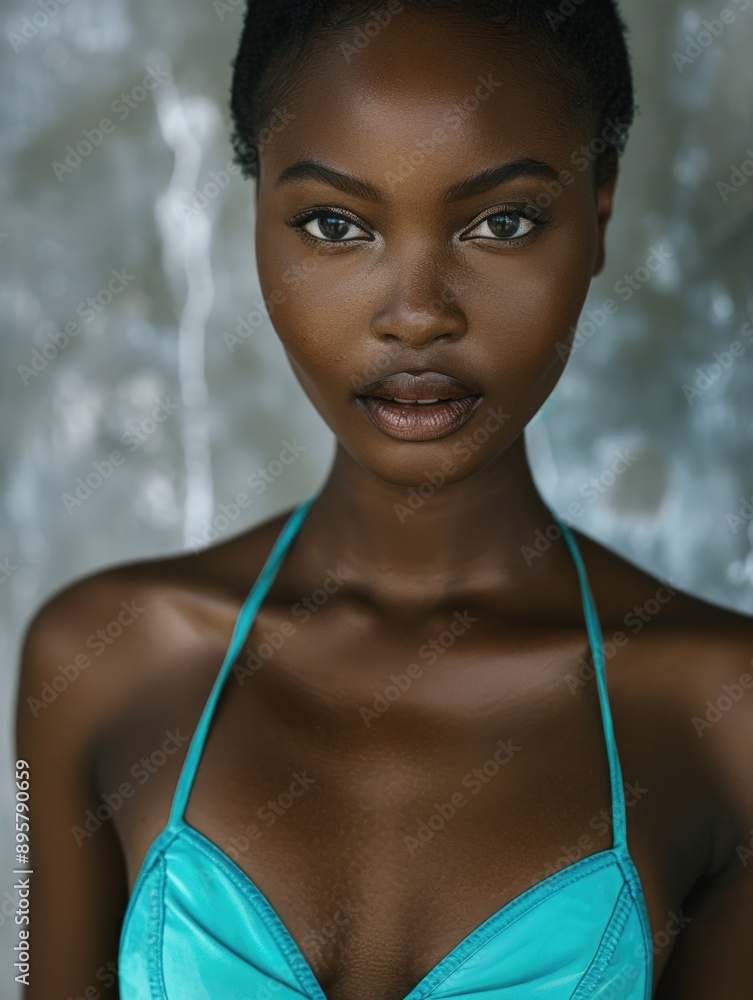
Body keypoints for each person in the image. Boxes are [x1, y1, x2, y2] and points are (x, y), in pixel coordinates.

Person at [15, 2, 753, 998]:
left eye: (502, 223)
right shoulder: (104, 661)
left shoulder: (721, 711)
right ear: (257, 223)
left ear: (600, 214)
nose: (416, 314)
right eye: (335, 224)